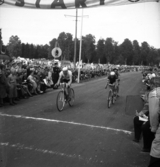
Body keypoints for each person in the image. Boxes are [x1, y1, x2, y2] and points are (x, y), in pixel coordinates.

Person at [148, 77, 160, 167]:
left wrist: (153, 127)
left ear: (153, 85)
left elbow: (154, 113)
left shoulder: (154, 93)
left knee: (157, 148)